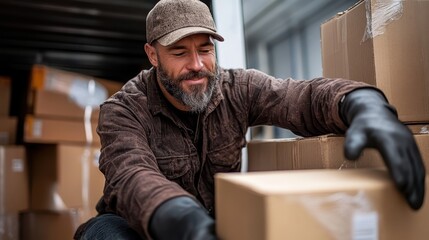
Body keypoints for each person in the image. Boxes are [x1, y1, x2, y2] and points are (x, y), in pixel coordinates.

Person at [74, 0, 426, 239]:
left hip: (213, 223)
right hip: (142, 228)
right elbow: (132, 174)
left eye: (206, 49)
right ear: (152, 54)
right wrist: (180, 218)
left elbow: (299, 97)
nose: (197, 65)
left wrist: (362, 103)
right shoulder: (122, 110)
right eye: (179, 52)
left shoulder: (237, 87)